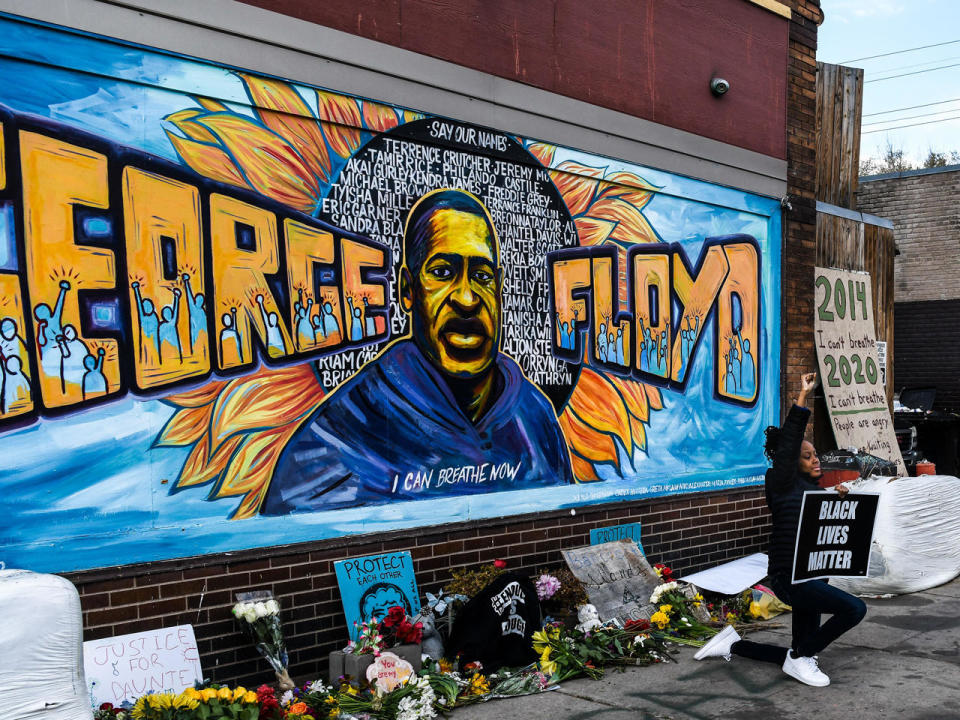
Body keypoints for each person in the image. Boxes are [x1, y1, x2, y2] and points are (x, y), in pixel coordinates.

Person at [262, 188, 573, 513]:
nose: (467, 299)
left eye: (482, 276)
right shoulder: (337, 440)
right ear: (408, 291)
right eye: (442, 273)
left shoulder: (535, 416)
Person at [694, 371, 867, 687]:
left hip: (812, 571)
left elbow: (813, 516)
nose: (816, 460)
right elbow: (788, 447)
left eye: (815, 454)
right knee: (854, 609)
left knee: (800, 645)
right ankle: (802, 659)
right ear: (790, 461)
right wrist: (803, 396)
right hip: (790, 576)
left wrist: (836, 498)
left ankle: (734, 644)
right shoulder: (780, 480)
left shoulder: (810, 489)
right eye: (807, 456)